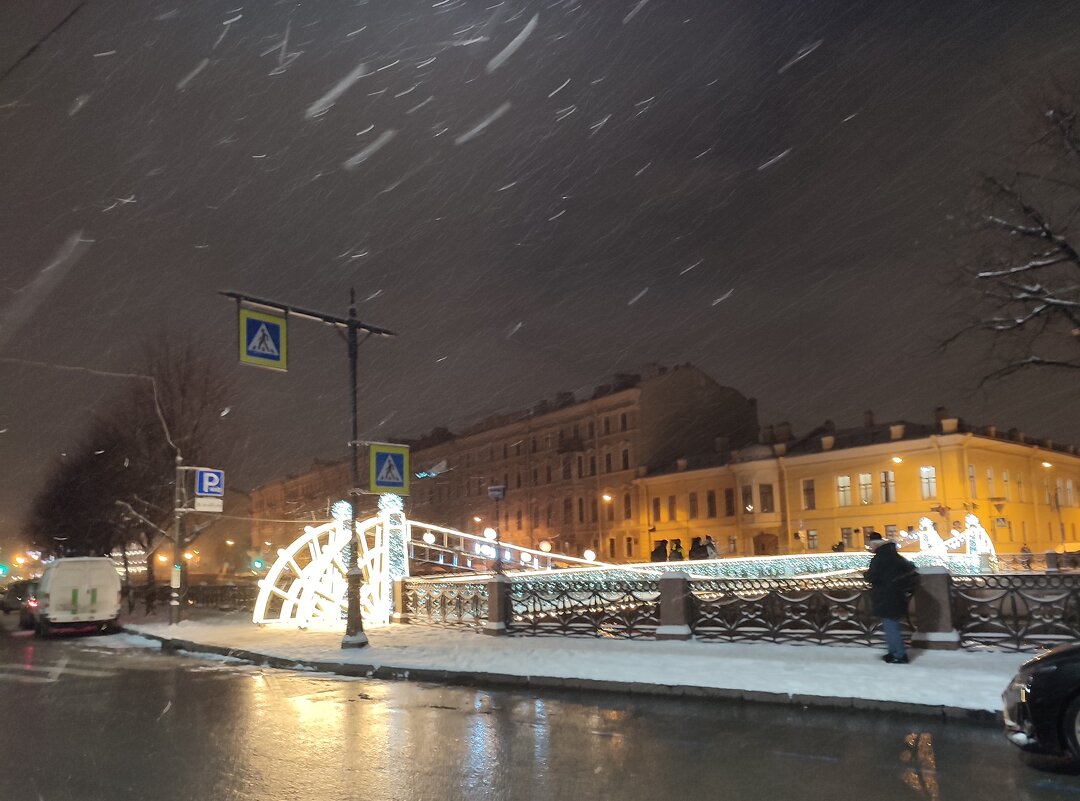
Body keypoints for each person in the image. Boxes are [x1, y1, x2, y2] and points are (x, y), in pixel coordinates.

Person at [864, 532, 918, 664]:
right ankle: (893, 652)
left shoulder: (880, 558)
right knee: (891, 626)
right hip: (897, 595)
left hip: (886, 596)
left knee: (891, 627)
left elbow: (871, 577)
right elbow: (911, 569)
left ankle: (899, 655)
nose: (870, 549)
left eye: (870, 546)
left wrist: (865, 574)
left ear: (875, 545)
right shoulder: (895, 556)